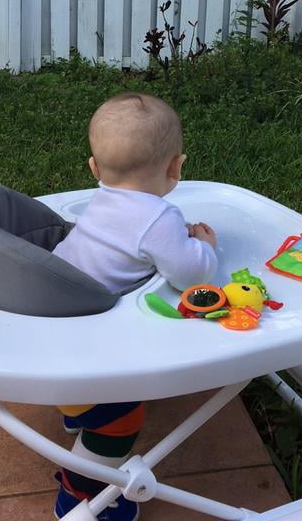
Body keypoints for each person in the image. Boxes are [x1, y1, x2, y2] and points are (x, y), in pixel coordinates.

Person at [52, 92, 218, 520]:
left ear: (93, 169)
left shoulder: (100, 200)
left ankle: (76, 413)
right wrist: (205, 247)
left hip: (54, 328)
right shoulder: (158, 219)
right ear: (176, 167)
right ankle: (78, 496)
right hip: (93, 354)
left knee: (87, 401)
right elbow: (193, 276)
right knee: (121, 422)